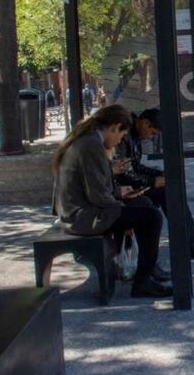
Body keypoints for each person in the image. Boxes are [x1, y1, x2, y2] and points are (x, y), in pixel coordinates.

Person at [51, 104, 172, 298]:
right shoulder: (91, 145)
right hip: (83, 217)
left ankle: (146, 273)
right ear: (114, 127)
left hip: (80, 212)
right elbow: (98, 195)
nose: (119, 141)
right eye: (121, 135)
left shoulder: (87, 141)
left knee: (143, 205)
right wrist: (121, 207)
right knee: (152, 218)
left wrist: (119, 195)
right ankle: (143, 281)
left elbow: (95, 188)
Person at [114, 109, 194, 261]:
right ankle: (188, 243)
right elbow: (123, 173)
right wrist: (152, 181)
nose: (151, 137)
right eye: (152, 132)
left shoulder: (133, 137)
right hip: (123, 191)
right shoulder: (124, 138)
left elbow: (135, 166)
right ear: (144, 122)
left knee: (172, 188)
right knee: (167, 193)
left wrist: (157, 174)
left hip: (129, 187)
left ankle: (190, 238)